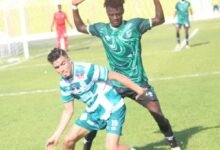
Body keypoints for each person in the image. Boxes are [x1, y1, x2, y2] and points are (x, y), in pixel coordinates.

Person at [71, 0, 181, 150]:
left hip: (139, 84)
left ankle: (174, 145)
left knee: (158, 115)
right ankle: (87, 146)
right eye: (112, 14)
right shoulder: (102, 29)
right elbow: (80, 27)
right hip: (115, 85)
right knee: (98, 114)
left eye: (118, 14)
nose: (115, 17)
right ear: (107, 14)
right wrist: (74, 6)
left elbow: (159, 19)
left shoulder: (134, 25)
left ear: (123, 11)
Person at [45, 48, 147, 150]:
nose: (61, 69)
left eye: (63, 64)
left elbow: (116, 76)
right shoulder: (64, 84)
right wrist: (56, 136)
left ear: (69, 59)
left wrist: (139, 90)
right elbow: (68, 110)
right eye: (57, 67)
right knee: (68, 141)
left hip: (113, 107)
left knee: (112, 148)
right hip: (94, 111)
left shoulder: (86, 69)